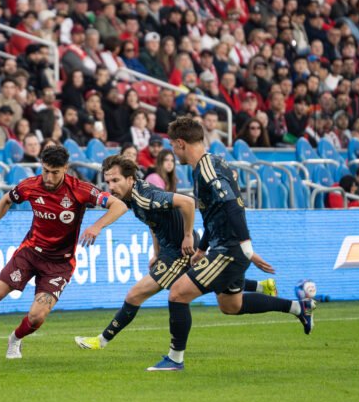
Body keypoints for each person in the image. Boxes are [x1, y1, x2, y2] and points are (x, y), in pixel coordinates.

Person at [122, 116, 315, 368]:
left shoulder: (207, 169)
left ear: (181, 143)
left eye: (172, 145)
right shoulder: (212, 164)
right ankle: (299, 308)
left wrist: (245, 245)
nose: (172, 151)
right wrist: (202, 249)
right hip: (225, 246)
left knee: (177, 293)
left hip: (228, 249)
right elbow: (215, 213)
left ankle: (174, 359)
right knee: (231, 305)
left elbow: (232, 207)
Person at [0, 145, 129, 359]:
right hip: (30, 253)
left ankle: (15, 339)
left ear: (65, 168)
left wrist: (96, 226)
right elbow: (6, 200)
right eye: (45, 170)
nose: (49, 177)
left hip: (59, 264)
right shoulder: (30, 186)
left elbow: (118, 205)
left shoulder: (79, 189)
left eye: (55, 172)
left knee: (37, 316)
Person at [74, 156, 277, 369]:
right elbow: (153, 223)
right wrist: (156, 252)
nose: (111, 187)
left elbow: (187, 203)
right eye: (108, 182)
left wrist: (188, 235)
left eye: (115, 181)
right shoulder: (132, 197)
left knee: (136, 294)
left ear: (131, 179)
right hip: (169, 250)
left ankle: (102, 340)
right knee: (199, 285)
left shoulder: (146, 195)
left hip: (180, 250)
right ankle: (261, 286)